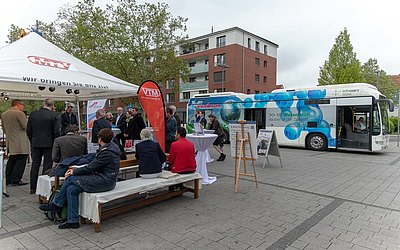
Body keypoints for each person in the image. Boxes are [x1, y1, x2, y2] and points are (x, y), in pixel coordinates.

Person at [39, 128, 120, 229]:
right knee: (71, 189)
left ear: (100, 139)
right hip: (104, 178)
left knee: (70, 179)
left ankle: (57, 204)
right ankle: (73, 221)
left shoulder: (107, 152)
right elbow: (93, 162)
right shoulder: (111, 147)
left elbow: (91, 167)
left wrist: (74, 171)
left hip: (105, 181)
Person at [27, 98, 61, 193]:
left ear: (43, 104)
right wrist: (55, 142)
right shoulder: (55, 115)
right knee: (47, 165)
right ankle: (43, 189)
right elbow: (57, 131)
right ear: (52, 105)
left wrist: (32, 140)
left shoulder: (33, 114)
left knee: (35, 165)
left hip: (36, 142)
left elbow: (28, 130)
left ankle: (33, 188)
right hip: (49, 143)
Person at [1, 99, 30, 186]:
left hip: (11, 140)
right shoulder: (19, 113)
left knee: (12, 160)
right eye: (22, 105)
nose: (23, 107)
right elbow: (26, 126)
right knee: (21, 160)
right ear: (18, 104)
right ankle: (16, 179)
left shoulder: (4, 114)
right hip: (21, 141)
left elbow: (3, 127)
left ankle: (8, 178)